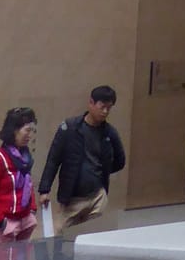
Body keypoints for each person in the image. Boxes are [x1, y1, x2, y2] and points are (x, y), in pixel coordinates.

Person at [37, 85, 126, 234]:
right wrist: (44, 190)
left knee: (94, 236)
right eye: (102, 107)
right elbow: (53, 159)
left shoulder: (110, 133)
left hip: (97, 196)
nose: (105, 112)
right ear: (91, 103)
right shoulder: (69, 128)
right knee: (60, 234)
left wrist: (101, 170)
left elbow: (120, 161)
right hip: (71, 198)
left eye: (109, 108)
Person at [0, 107, 38, 242]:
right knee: (4, 256)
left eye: (31, 131)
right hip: (7, 222)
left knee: (23, 255)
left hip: (25, 219)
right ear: (14, 130)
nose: (29, 135)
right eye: (27, 130)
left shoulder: (25, 157)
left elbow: (28, 184)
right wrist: (1, 222)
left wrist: (32, 209)